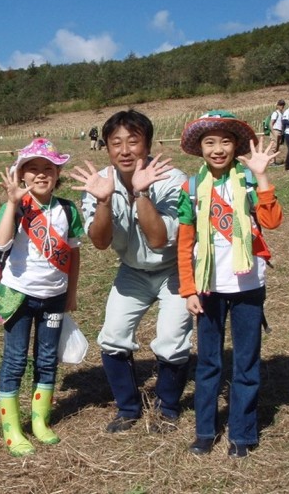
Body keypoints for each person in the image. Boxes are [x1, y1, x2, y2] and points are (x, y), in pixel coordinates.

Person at [70, 109, 192, 433]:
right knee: (112, 337)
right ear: (107, 148)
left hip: (174, 269)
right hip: (132, 271)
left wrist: (141, 193)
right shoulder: (99, 183)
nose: (125, 150)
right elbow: (99, 241)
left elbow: (158, 238)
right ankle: (127, 407)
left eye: (133, 141)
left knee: (171, 339)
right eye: (116, 143)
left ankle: (167, 405)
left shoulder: (172, 180)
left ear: (147, 145)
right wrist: (104, 202)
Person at [176, 110, 283, 458]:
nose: (218, 149)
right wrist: (188, 288)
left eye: (225, 141)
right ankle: (205, 431)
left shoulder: (249, 182)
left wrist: (262, 176)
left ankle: (243, 433)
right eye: (210, 142)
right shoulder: (191, 189)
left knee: (247, 362)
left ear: (236, 145)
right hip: (208, 286)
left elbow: (272, 220)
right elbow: (185, 242)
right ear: (200, 149)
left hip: (249, 285)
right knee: (209, 362)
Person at [0, 138, 83, 457]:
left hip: (54, 298)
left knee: (46, 359)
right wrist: (13, 203)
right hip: (18, 297)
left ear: (57, 174)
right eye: (33, 169)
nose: (41, 175)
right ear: (21, 175)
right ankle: (12, 428)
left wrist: (71, 293)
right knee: (15, 360)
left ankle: (40, 421)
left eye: (48, 169)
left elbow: (73, 254)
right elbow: (0, 245)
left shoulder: (68, 209)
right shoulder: (15, 208)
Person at [269, 100, 285, 164]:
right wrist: (273, 132)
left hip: (279, 131)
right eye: (280, 105)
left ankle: (274, 161)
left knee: (276, 147)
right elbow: (271, 123)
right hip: (275, 131)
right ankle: (271, 162)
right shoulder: (275, 113)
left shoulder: (281, 114)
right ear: (278, 105)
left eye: (283, 105)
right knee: (273, 147)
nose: (282, 106)